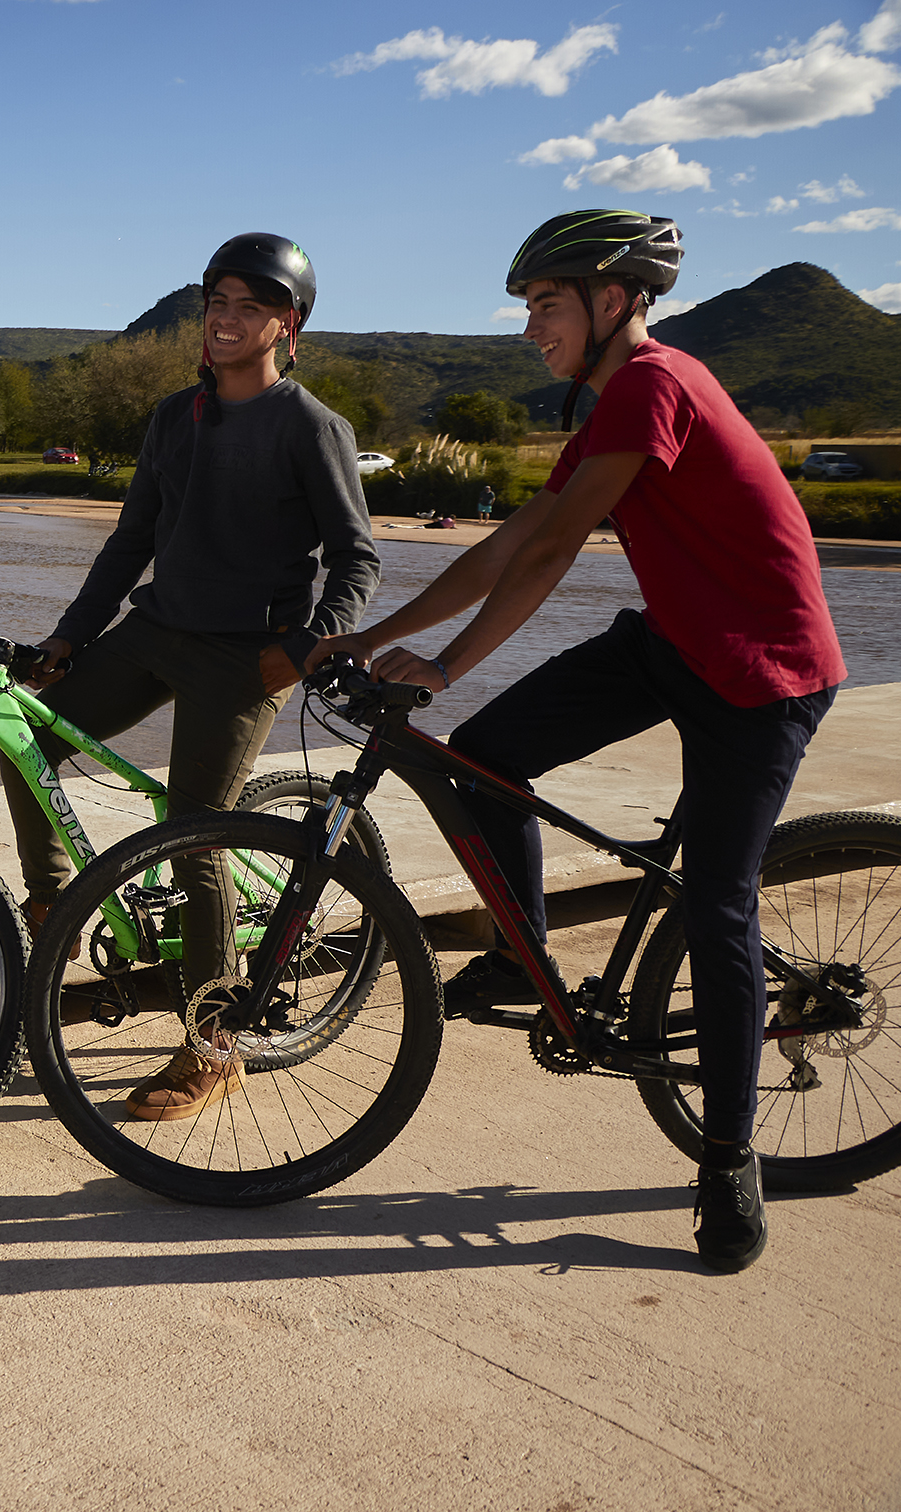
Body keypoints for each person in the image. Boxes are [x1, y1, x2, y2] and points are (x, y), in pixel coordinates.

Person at [307, 209, 847, 1273]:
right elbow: (507, 542)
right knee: (482, 761)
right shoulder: (607, 405)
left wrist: (447, 663)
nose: (529, 330)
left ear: (613, 300)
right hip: (675, 644)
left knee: (717, 903)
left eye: (545, 305)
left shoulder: (653, 383)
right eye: (526, 309)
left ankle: (728, 1158)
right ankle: (522, 957)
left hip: (763, 673)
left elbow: (553, 548)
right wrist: (372, 637)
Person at [0, 232, 380, 1123]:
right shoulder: (173, 418)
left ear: (288, 325)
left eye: (249, 307)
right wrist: (69, 638)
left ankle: (216, 1044)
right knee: (26, 735)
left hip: (248, 654)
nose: (226, 320)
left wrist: (310, 645)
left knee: (194, 838)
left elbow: (357, 558)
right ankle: (51, 910)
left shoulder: (311, 427)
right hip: (157, 629)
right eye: (216, 303)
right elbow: (130, 544)